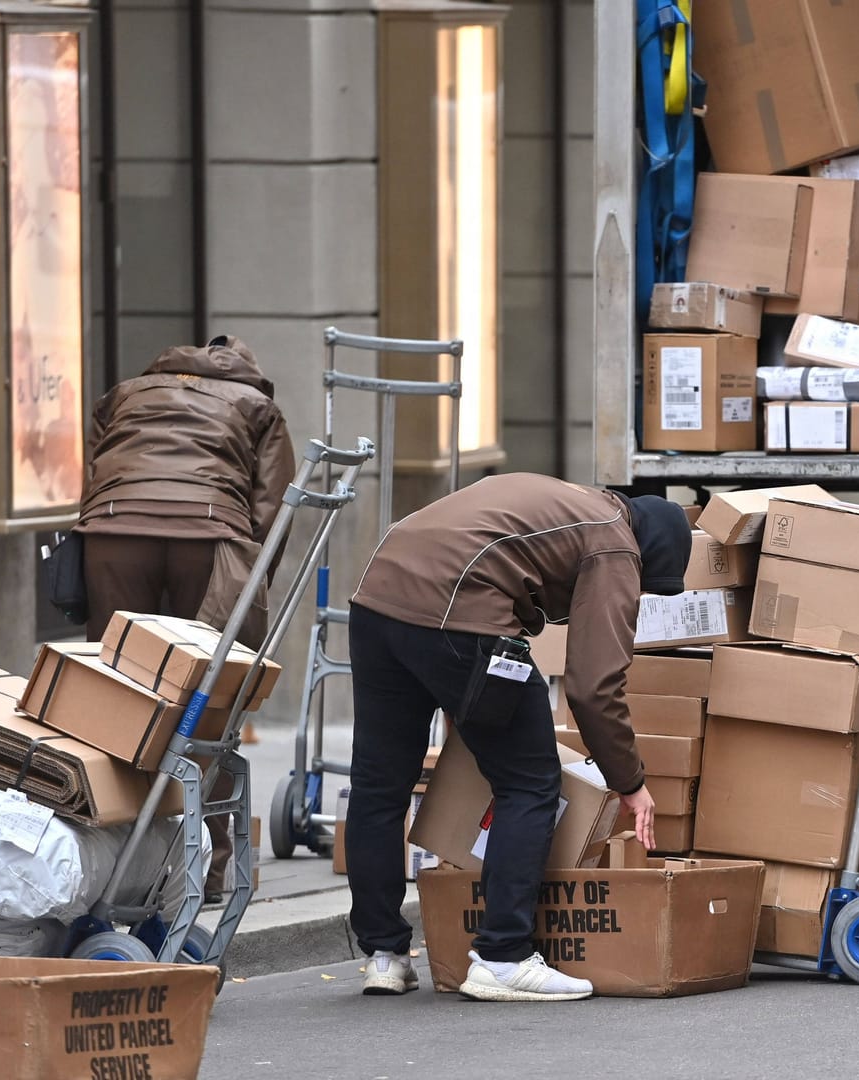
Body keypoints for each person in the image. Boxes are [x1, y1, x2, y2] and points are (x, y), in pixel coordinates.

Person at [344, 474, 691, 1002]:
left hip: (376, 600)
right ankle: (503, 957)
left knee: (379, 783)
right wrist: (630, 781)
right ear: (650, 554)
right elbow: (594, 687)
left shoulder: (566, 501)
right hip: (458, 612)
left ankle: (383, 956)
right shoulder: (615, 540)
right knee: (529, 783)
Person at [77, 335, 295, 906]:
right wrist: (253, 581)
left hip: (115, 532)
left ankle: (115, 849)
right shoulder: (257, 406)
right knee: (207, 691)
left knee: (122, 690)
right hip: (208, 535)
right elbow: (272, 507)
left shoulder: (126, 392)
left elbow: (96, 475)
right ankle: (212, 866)